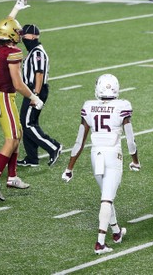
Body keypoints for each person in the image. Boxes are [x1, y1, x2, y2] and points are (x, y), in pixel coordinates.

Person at [61, 74, 140, 254]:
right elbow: (130, 140)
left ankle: (116, 232)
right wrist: (135, 161)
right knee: (107, 198)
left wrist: (69, 168)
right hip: (113, 155)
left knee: (106, 193)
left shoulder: (89, 107)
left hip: (95, 155)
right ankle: (100, 243)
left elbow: (79, 141)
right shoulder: (122, 106)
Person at [0, 0, 44, 201]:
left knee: (17, 134)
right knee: (11, 139)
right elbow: (18, 84)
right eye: (17, 31)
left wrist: (15, 10)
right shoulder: (12, 52)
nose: (19, 34)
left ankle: (12, 177)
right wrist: (34, 98)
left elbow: (4, 26)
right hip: (4, 96)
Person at [17, 24, 63, 168]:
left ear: (33, 36)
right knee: (27, 123)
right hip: (32, 91)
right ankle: (32, 157)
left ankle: (53, 147)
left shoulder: (37, 52)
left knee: (28, 123)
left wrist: (35, 95)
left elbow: (39, 73)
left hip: (36, 90)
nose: (23, 37)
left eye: (25, 35)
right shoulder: (33, 51)